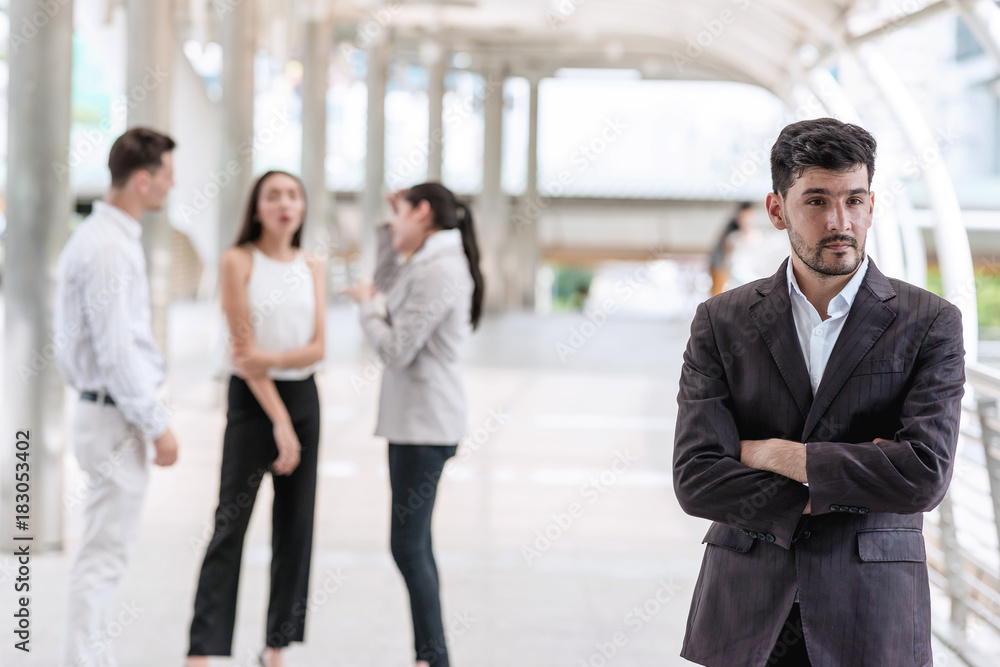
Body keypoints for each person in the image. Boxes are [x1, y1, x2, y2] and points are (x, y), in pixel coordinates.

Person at [672, 117, 965, 666]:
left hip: (872, 615)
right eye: (816, 202)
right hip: (746, 613)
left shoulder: (929, 323)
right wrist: (854, 478)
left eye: (854, 200)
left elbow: (923, 475)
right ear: (777, 209)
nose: (840, 221)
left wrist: (779, 456)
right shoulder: (722, 321)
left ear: (872, 205)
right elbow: (696, 477)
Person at [186, 171, 325, 667]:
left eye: (293, 195)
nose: (284, 203)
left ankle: (276, 648)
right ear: (257, 207)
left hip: (305, 397)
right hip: (251, 401)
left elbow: (319, 347)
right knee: (231, 523)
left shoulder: (312, 265)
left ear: (303, 207)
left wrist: (274, 362)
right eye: (273, 195)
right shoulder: (237, 260)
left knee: (296, 527)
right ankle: (202, 650)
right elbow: (244, 354)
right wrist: (280, 423)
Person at [343, 182, 484, 667]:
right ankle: (430, 654)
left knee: (407, 545)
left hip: (425, 426)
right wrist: (389, 229)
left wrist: (365, 308)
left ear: (424, 213)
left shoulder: (439, 268)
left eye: (400, 213)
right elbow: (386, 281)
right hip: (415, 424)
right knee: (413, 543)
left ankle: (433, 656)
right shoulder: (428, 261)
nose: (394, 222)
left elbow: (395, 350)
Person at [54, 127, 180, 667]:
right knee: (103, 558)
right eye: (168, 177)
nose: (173, 188)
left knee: (105, 553)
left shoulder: (111, 238)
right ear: (143, 179)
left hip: (105, 412)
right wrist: (157, 423)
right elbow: (116, 353)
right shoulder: (108, 248)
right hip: (112, 415)